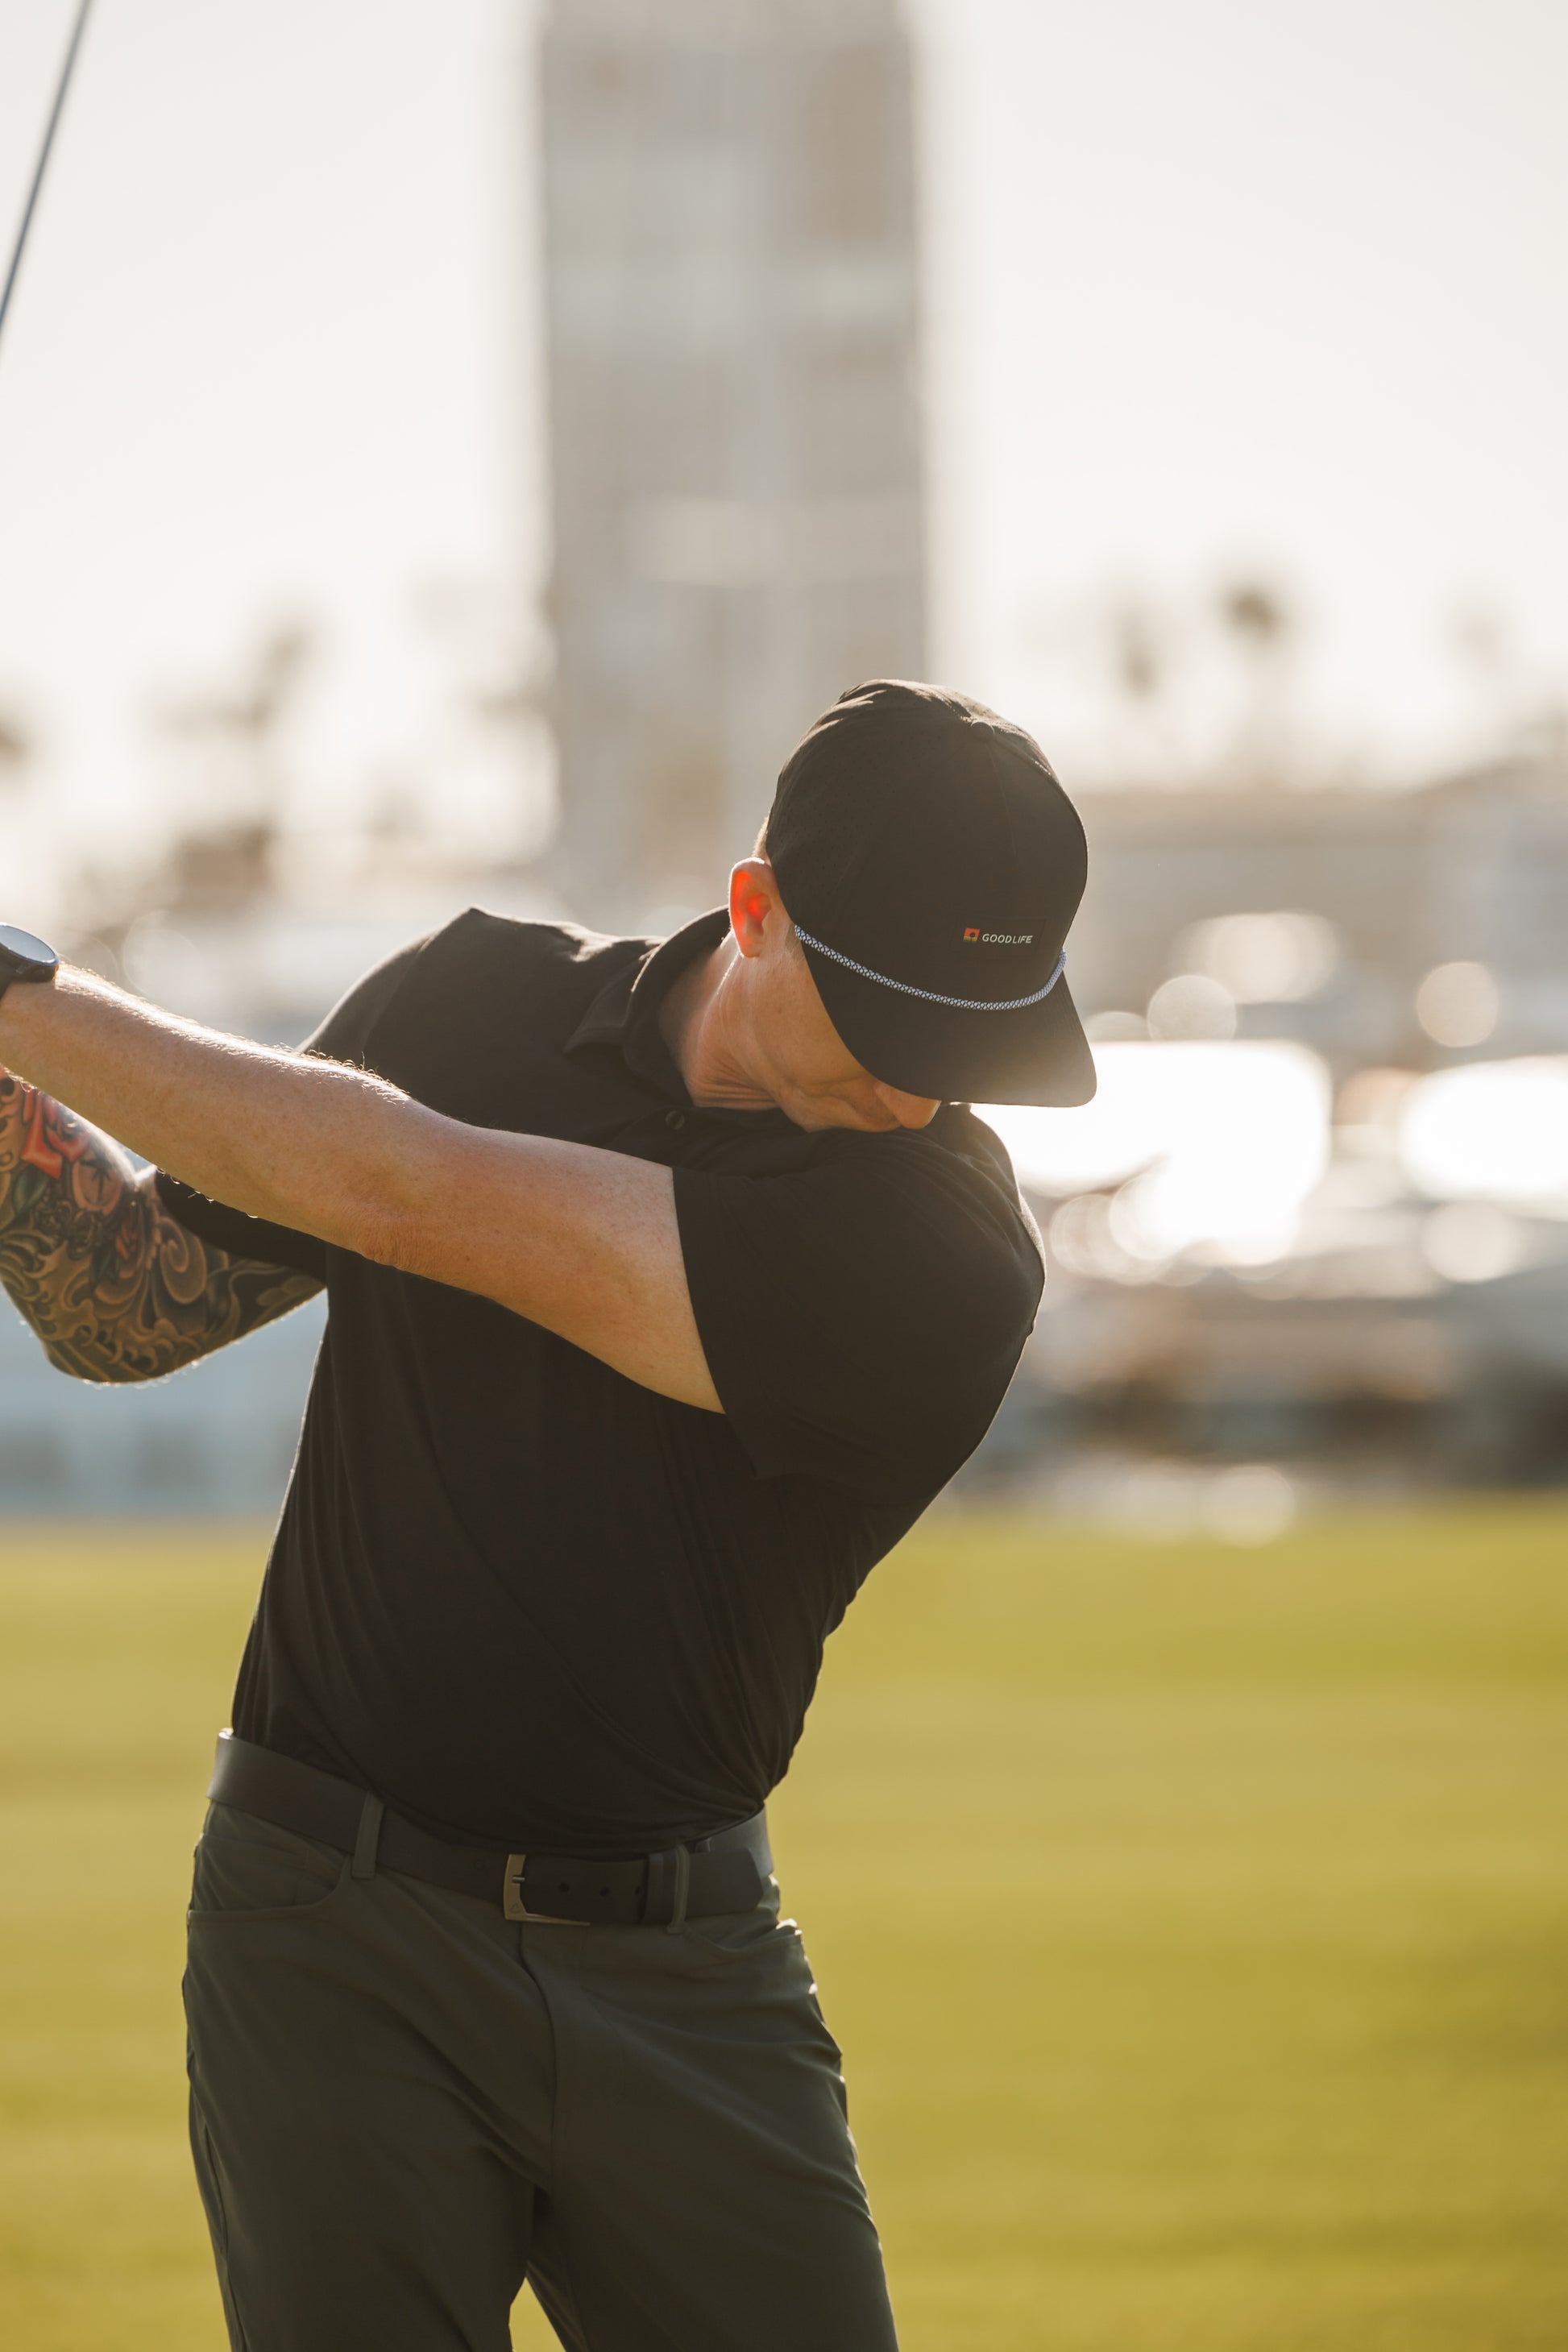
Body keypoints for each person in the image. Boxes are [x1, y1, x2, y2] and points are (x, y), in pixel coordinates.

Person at [0, 678, 1094, 2352]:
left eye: (981, 1033)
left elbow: (406, 1184)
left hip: (688, 1976)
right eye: (894, 1020)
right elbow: (117, 1298)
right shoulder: (470, 1001)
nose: (926, 1085)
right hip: (325, 1934)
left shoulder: (941, 1252)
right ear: (755, 907)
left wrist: (18, 990)